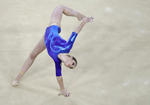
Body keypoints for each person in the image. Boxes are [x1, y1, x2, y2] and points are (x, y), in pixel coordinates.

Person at [12, 5, 93, 97]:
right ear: (70, 57)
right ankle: (79, 16)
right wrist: (84, 22)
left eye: (71, 67)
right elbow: (75, 32)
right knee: (60, 7)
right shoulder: (67, 47)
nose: (71, 66)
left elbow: (59, 77)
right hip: (54, 26)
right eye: (73, 64)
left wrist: (62, 90)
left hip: (46, 39)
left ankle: (17, 79)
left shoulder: (57, 62)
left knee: (32, 55)